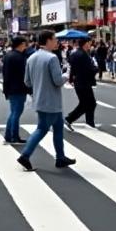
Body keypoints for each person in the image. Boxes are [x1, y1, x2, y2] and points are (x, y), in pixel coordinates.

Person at [17, 30, 73, 172]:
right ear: (48, 41)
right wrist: (67, 74)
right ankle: (25, 155)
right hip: (51, 101)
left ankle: (60, 157)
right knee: (42, 129)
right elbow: (58, 81)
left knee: (58, 127)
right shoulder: (51, 58)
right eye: (55, 39)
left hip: (39, 99)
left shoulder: (31, 58)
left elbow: (27, 82)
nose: (57, 42)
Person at [65, 38, 98, 129]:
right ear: (85, 44)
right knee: (87, 103)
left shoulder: (74, 54)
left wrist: (71, 79)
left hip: (78, 81)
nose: (90, 45)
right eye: (89, 43)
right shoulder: (83, 55)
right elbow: (90, 69)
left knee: (89, 103)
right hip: (84, 82)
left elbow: (71, 67)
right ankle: (69, 118)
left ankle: (90, 122)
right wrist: (96, 68)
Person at [2, 36, 29, 144]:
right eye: (25, 44)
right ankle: (14, 136)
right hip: (19, 87)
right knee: (16, 112)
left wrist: (5, 88)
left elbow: (5, 73)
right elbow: (24, 74)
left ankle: (9, 135)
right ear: (22, 44)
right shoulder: (20, 57)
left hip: (11, 87)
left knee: (14, 112)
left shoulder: (8, 55)